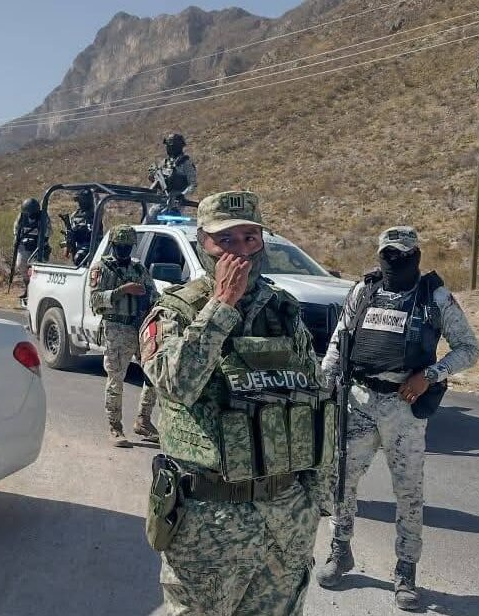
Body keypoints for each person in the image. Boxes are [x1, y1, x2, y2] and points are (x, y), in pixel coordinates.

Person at [139, 191, 333, 615]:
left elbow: (314, 399)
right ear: (202, 243)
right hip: (210, 522)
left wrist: (317, 501)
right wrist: (222, 304)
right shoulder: (175, 311)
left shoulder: (283, 310)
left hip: (285, 518)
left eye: (250, 238)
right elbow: (176, 383)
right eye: (225, 240)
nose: (241, 250)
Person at [315, 226, 479, 610]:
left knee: (408, 494)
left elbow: (469, 349)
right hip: (357, 403)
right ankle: (340, 552)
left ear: (416, 256)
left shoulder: (434, 297)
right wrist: (324, 388)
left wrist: (430, 376)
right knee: (340, 483)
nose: (396, 260)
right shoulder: (363, 291)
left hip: (404, 411)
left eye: (403, 255)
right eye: (389, 254)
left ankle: (406, 572)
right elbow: (340, 341)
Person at [89, 224, 160, 447]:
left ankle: (143, 420)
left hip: (140, 328)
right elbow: (95, 300)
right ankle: (115, 427)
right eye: (120, 247)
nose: (124, 251)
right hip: (116, 329)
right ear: (113, 246)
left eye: (128, 247)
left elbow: (154, 294)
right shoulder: (103, 268)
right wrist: (122, 291)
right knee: (115, 381)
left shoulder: (139, 269)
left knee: (154, 376)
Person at [146, 133, 197, 223]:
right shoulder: (164, 163)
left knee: (169, 224)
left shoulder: (186, 163)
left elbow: (192, 184)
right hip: (160, 201)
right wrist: (153, 176)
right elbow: (154, 180)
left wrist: (181, 194)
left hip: (174, 203)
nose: (168, 148)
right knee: (148, 221)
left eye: (170, 146)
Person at [12, 197, 51, 299]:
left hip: (38, 247)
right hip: (24, 246)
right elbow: (16, 228)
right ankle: (27, 288)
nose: (29, 214)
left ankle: (35, 292)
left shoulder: (43, 217)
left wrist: (42, 240)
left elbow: (48, 232)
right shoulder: (22, 216)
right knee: (21, 265)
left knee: (36, 270)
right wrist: (16, 238)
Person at [61, 188, 100, 266]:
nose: (79, 203)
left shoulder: (95, 214)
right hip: (77, 246)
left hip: (91, 247)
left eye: (80, 201)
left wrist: (95, 195)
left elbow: (100, 207)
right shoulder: (75, 215)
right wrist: (67, 247)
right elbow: (70, 233)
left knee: (80, 259)